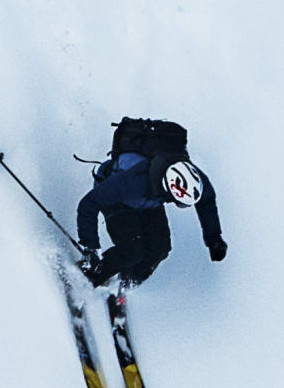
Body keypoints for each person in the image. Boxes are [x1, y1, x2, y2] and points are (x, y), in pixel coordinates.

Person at [75, 116, 225, 287]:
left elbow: (206, 200)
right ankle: (87, 276)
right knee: (132, 250)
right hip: (119, 200)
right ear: (167, 189)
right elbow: (88, 204)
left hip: (149, 201)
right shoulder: (134, 181)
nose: (174, 203)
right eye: (175, 200)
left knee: (160, 250)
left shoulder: (194, 178)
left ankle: (124, 284)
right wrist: (91, 248)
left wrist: (214, 239)